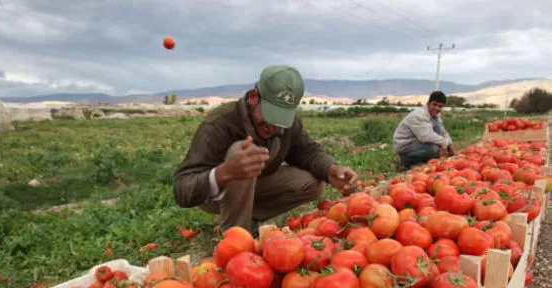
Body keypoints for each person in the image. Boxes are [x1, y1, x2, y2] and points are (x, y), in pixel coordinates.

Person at [173, 65, 358, 236]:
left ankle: (250, 219)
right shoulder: (220, 123)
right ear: (254, 97)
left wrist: (330, 169)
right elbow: (182, 189)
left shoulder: (288, 123)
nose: (272, 127)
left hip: (257, 186)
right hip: (216, 194)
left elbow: (307, 151)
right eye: (269, 116)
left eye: (280, 120)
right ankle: (236, 236)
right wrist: (225, 172)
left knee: (311, 183)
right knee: (244, 152)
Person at [393, 90, 455, 170]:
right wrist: (443, 144)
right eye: (434, 105)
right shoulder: (419, 115)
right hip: (405, 144)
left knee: (439, 140)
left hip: (418, 142)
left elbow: (443, 132)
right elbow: (426, 136)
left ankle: (424, 161)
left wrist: (449, 146)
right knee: (434, 150)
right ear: (428, 103)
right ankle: (403, 160)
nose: (437, 108)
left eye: (440, 106)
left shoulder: (435, 116)